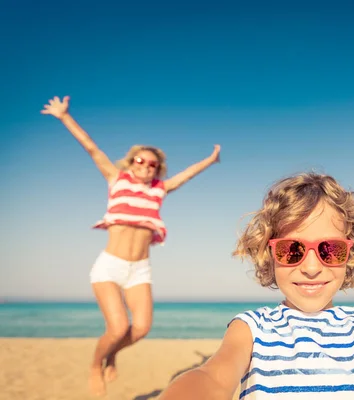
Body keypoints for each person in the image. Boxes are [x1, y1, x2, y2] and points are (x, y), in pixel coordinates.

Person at [159, 172, 354, 399]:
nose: (310, 267)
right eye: (291, 250)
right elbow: (212, 378)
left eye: (329, 250)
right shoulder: (251, 328)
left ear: (350, 253)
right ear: (269, 252)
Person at [41, 96, 221, 397]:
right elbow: (91, 147)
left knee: (141, 329)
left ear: (157, 169)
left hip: (140, 269)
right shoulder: (116, 179)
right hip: (110, 265)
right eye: (141, 160)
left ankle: (113, 354)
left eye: (153, 164)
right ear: (131, 161)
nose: (146, 166)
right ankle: (96, 363)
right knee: (117, 328)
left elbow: (187, 175)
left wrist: (210, 160)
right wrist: (64, 116)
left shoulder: (159, 190)